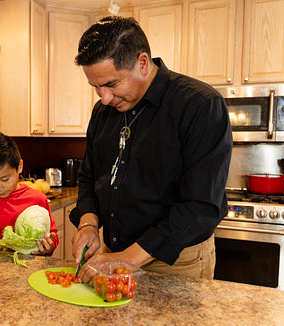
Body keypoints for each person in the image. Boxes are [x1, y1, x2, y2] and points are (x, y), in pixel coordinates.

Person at [71, 16, 232, 283]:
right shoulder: (103, 112)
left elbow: (200, 206)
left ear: (142, 64)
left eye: (111, 84)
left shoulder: (199, 104)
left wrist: (129, 257)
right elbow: (90, 175)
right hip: (112, 256)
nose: (104, 98)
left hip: (176, 264)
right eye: (95, 87)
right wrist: (88, 224)